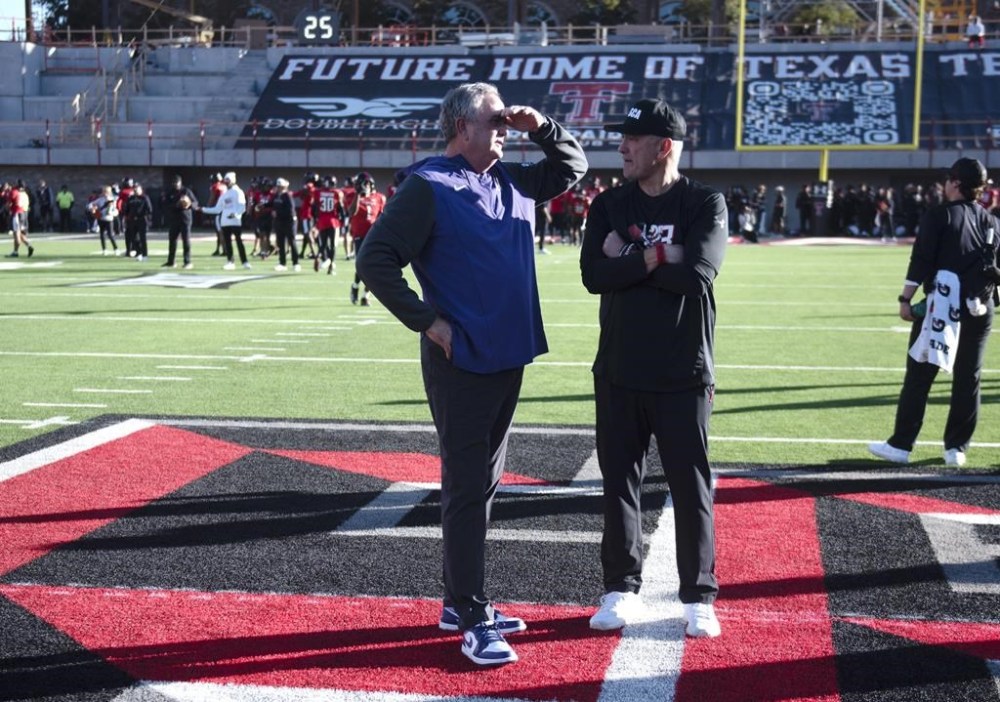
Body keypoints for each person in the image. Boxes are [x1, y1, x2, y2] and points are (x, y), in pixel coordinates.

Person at [357, 82, 587, 666]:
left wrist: (539, 125)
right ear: (462, 127)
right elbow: (374, 259)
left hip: (506, 352)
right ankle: (473, 612)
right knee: (466, 489)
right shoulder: (429, 185)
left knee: (483, 484)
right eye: (495, 120)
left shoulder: (510, 177)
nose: (505, 127)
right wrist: (427, 320)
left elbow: (573, 165)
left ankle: (458, 604)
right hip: (460, 361)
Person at [580, 97, 726, 639]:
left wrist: (633, 254)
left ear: (663, 146)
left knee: (692, 487)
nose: (621, 146)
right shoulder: (609, 205)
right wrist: (664, 255)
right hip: (618, 367)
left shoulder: (704, 202)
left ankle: (699, 596)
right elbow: (594, 274)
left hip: (683, 369)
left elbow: (699, 275)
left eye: (632, 139)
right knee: (619, 482)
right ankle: (619, 587)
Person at [870, 158, 1000, 467]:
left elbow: (922, 260)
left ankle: (901, 445)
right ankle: (956, 448)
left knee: (920, 376)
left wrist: (905, 298)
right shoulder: (992, 221)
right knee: (969, 378)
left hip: (943, 307)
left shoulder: (939, 215)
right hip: (981, 308)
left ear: (955, 183)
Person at [347, 172, 385, 305]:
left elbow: (383, 217)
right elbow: (352, 212)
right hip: (359, 236)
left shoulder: (379, 197)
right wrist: (358, 194)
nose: (365, 186)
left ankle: (365, 295)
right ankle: (355, 286)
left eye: (367, 183)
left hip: (374, 237)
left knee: (372, 268)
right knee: (361, 266)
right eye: (362, 183)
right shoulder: (352, 196)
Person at [200, 171, 249, 270]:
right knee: (227, 242)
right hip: (225, 222)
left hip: (235, 222)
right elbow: (218, 209)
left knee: (239, 241)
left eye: (228, 181)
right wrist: (203, 209)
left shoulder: (238, 192)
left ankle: (245, 262)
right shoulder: (225, 194)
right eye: (225, 181)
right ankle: (230, 261)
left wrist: (236, 214)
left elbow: (242, 207)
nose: (226, 183)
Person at [162, 174, 199, 269]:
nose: (175, 185)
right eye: (174, 183)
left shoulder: (186, 191)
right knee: (172, 241)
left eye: (177, 183)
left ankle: (187, 262)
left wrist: (188, 204)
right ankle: (171, 262)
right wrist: (177, 205)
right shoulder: (170, 192)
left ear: (180, 183)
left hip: (185, 219)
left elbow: (195, 203)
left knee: (186, 241)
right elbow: (166, 205)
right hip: (174, 219)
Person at [271, 177, 300, 272]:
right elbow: (272, 204)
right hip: (279, 222)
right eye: (278, 186)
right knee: (281, 243)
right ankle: (282, 263)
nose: (278, 188)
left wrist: (278, 213)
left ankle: (296, 263)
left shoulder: (287, 196)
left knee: (292, 242)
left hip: (289, 222)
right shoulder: (276, 196)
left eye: (280, 186)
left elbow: (290, 210)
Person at [124, 183, 153, 262]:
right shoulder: (131, 198)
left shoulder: (144, 198)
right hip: (132, 221)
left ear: (141, 189)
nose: (136, 190)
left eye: (137, 188)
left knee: (142, 238)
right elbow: (127, 209)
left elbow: (149, 209)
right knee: (134, 238)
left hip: (142, 220)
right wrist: (127, 217)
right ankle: (138, 253)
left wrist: (146, 218)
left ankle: (145, 255)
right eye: (135, 188)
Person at [90, 185, 120, 256]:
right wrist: (93, 209)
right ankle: (104, 249)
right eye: (104, 192)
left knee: (110, 235)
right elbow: (91, 205)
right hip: (101, 219)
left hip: (109, 219)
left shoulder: (113, 199)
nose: (105, 193)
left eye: (106, 192)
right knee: (102, 235)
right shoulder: (100, 199)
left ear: (109, 192)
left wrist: (112, 213)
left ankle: (116, 249)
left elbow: (116, 210)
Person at [6, 180, 34, 258]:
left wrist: (9, 210)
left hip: (17, 214)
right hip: (24, 214)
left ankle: (15, 252)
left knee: (16, 234)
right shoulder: (25, 194)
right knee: (21, 233)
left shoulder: (14, 192)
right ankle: (29, 246)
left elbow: (8, 204)